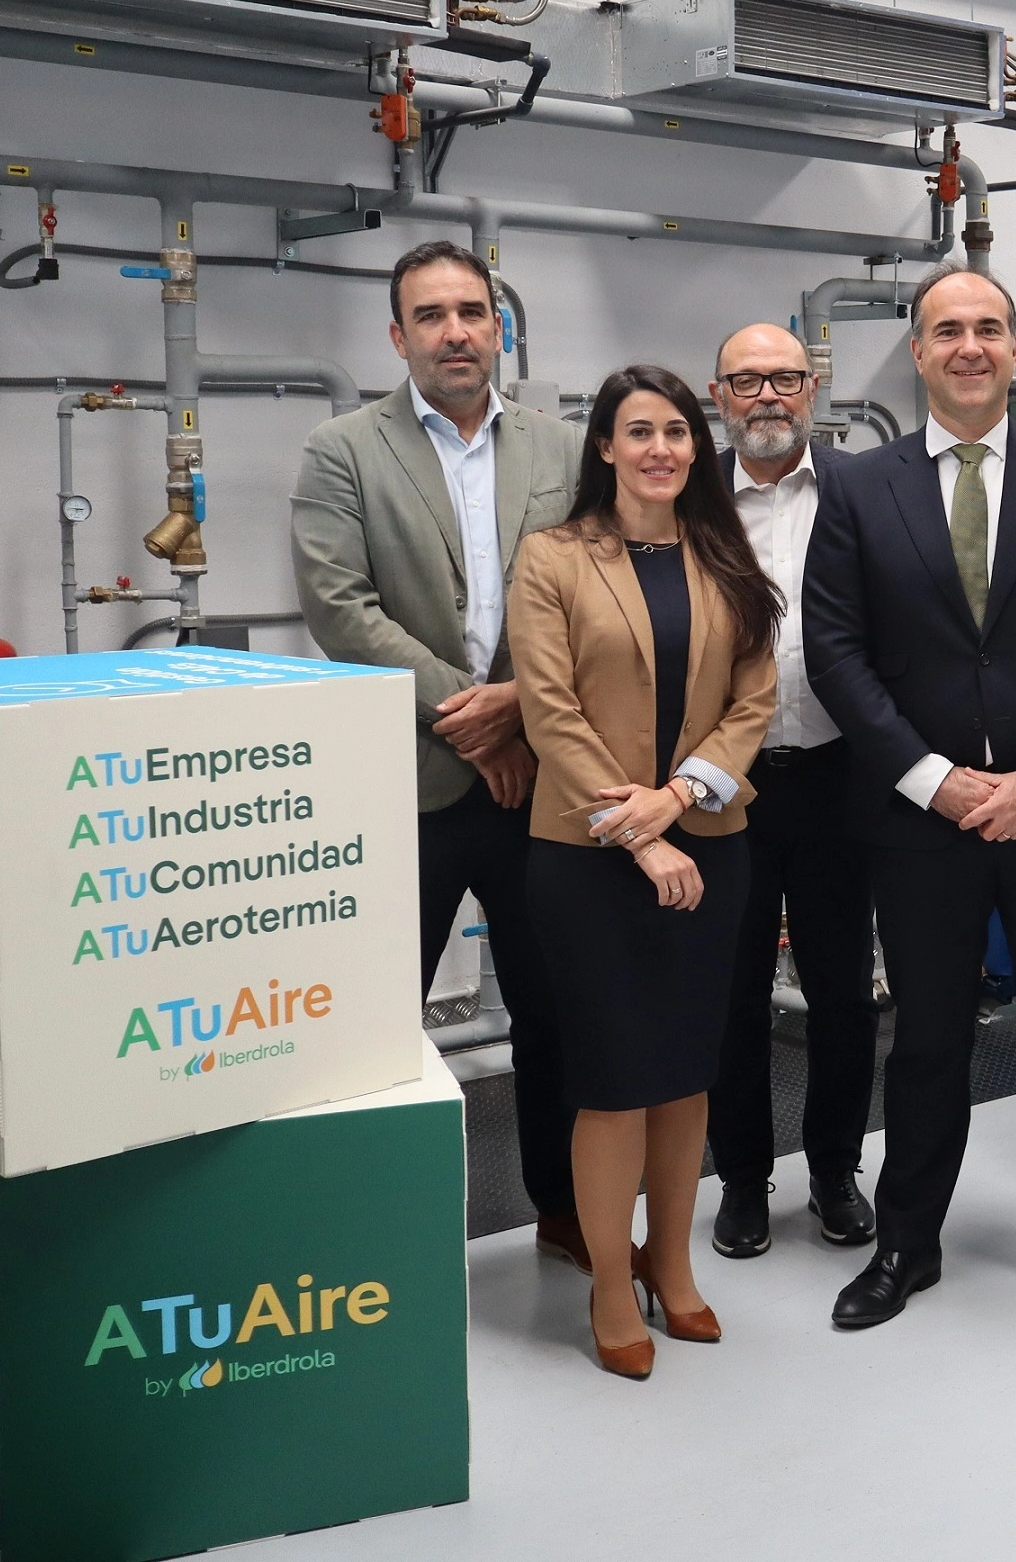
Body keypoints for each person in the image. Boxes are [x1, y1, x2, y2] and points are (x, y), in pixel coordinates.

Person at [803, 266, 1016, 1330]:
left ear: (1015, 348)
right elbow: (835, 648)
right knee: (927, 1042)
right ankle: (907, 1245)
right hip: (922, 827)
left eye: (989, 329)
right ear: (917, 351)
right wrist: (931, 779)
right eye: (948, 330)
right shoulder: (860, 488)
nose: (970, 346)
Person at [291, 240, 587, 1273]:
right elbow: (340, 608)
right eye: (431, 315)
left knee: (554, 1012)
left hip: (540, 782)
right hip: (410, 786)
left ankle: (566, 1210)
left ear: (498, 328)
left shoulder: (563, 449)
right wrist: (475, 716)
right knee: (377, 1027)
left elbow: (597, 598)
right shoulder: (342, 450)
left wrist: (520, 711)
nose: (455, 332)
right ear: (398, 335)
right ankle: (366, 1238)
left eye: (472, 312)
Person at [509, 364, 780, 1379]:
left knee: (685, 1074)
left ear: (695, 447)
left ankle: (672, 1263)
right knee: (616, 1081)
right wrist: (641, 832)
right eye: (639, 431)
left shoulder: (723, 552)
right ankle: (612, 1286)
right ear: (605, 447)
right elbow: (549, 711)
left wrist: (680, 800)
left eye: (676, 431)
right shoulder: (553, 558)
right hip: (588, 858)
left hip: (709, 843)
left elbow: (753, 699)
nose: (660, 448)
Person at [699, 325, 881, 1260]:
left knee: (844, 993)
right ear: (718, 395)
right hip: (719, 784)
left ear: (813, 389)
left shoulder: (868, 488)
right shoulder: (688, 499)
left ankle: (835, 1171)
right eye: (747, 381)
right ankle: (740, 1178)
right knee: (729, 994)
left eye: (784, 379)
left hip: (839, 775)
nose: (767, 395)